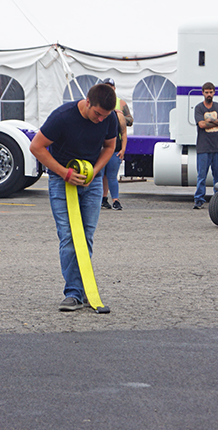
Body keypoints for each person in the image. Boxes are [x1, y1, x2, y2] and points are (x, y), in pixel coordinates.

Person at [29, 83, 117, 311]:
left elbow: (110, 147)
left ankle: (85, 288)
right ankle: (73, 293)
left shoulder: (109, 118)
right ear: (87, 102)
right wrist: (64, 173)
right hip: (62, 181)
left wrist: (95, 172)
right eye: (97, 114)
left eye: (105, 116)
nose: (100, 120)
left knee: (86, 235)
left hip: (91, 181)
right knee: (68, 236)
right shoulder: (62, 117)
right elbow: (36, 147)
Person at [193, 82, 218, 209]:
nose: (209, 94)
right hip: (203, 148)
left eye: (211, 92)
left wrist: (212, 121)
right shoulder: (199, 108)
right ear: (203, 93)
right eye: (206, 92)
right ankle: (199, 200)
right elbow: (201, 124)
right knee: (201, 176)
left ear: (214, 92)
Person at [100, 77, 132, 210]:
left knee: (111, 176)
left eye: (111, 87)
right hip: (100, 147)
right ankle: (101, 199)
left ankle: (115, 200)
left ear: (114, 88)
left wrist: (123, 149)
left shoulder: (120, 104)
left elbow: (128, 125)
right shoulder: (97, 103)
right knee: (100, 175)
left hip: (115, 146)